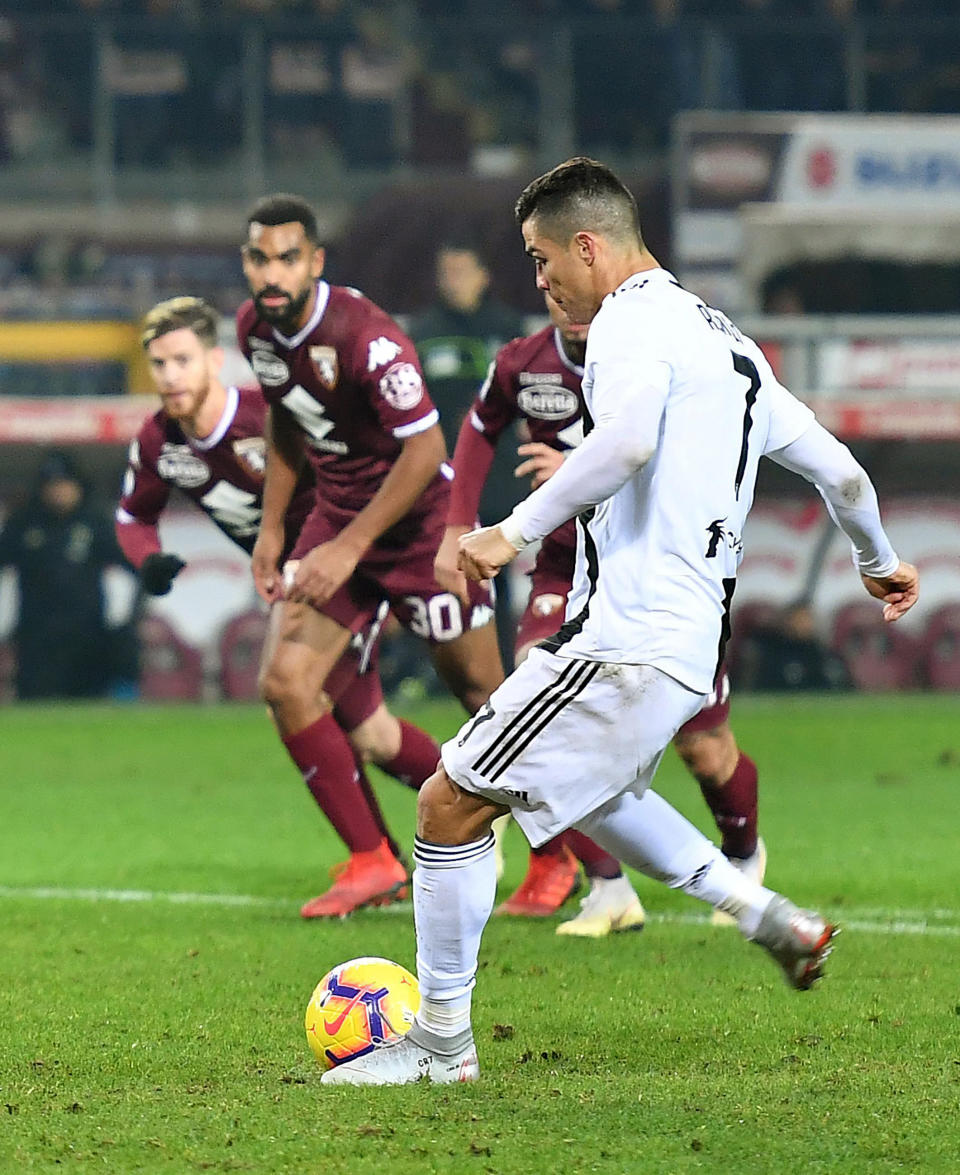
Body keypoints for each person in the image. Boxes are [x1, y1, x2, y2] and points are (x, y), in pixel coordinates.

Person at [321, 157, 919, 1086]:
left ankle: (441, 1044)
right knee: (599, 794)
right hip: (684, 650)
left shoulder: (628, 325)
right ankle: (771, 917)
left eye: (540, 257)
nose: (539, 278)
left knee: (447, 803)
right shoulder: (732, 347)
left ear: (589, 247)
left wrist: (512, 531)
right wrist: (879, 561)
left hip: (625, 641)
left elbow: (630, 439)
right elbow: (841, 473)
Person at [435, 292, 765, 937]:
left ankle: (745, 858)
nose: (567, 300)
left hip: (657, 567)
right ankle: (607, 886)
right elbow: (479, 426)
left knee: (704, 748)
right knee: (541, 698)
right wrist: (456, 523)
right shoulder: (524, 363)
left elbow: (674, 455)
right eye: (545, 274)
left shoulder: (665, 357)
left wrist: (579, 469)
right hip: (564, 563)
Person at [116, 296, 444, 918]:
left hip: (339, 568)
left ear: (215, 359)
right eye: (158, 363)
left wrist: (351, 554)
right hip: (297, 580)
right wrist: (148, 559)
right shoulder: (160, 441)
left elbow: (347, 475)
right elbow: (133, 515)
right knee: (370, 734)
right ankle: (481, 824)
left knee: (287, 689)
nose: (170, 376)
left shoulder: (264, 417)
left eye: (182, 359)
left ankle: (378, 856)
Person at [236, 194, 506, 908]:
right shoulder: (255, 331)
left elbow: (426, 450)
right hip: (338, 520)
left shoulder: (365, 336)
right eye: (259, 258)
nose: (272, 273)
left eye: (288, 257)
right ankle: (373, 859)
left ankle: (565, 858)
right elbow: (287, 425)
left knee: (489, 699)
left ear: (315, 262)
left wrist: (349, 548)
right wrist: (274, 531)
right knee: (287, 683)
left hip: (418, 526)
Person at [409, 241, 527, 669]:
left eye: (462, 270)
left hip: (498, 473)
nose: (453, 280)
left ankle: (501, 664)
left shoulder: (508, 327)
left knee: (498, 572)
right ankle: (435, 667)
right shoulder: (424, 333)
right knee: (434, 568)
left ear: (484, 275)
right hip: (440, 473)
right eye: (447, 272)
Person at [0, 449, 130, 700]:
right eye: (51, 485)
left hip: (87, 638)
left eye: (64, 484)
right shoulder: (24, 523)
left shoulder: (94, 522)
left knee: (90, 712)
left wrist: (129, 622)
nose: (58, 491)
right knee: (37, 710)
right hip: (37, 639)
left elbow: (136, 568)